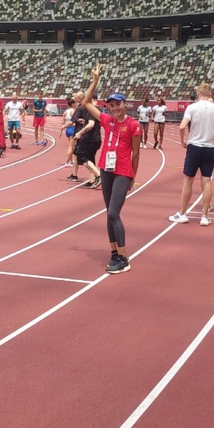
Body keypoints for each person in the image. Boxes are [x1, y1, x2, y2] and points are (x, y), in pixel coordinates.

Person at [83, 64, 141, 274]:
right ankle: (114, 253)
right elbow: (86, 102)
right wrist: (95, 80)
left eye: (118, 104)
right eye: (111, 105)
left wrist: (132, 177)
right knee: (109, 213)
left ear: (125, 104)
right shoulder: (107, 121)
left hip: (123, 172)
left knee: (114, 213)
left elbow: (136, 153)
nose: (114, 107)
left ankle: (124, 258)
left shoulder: (134, 125)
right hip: (106, 170)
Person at [168, 82, 214, 227]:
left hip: (194, 146)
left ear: (198, 93)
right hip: (209, 147)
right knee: (206, 180)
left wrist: (183, 141)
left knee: (188, 180)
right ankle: (204, 216)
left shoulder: (191, 107)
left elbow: (182, 126)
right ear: (209, 93)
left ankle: (183, 214)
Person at [72, 95, 102, 189]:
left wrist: (80, 133)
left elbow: (91, 124)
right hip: (96, 138)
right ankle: (91, 180)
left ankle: (98, 175)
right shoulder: (99, 110)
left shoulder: (92, 110)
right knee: (91, 158)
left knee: (81, 156)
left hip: (90, 138)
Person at [59, 97, 78, 166]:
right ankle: (67, 162)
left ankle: (70, 161)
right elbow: (75, 121)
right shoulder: (73, 112)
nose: (76, 104)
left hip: (67, 130)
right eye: (75, 103)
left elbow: (63, 123)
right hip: (73, 129)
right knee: (71, 147)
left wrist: (61, 131)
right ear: (72, 104)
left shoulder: (65, 112)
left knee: (71, 146)